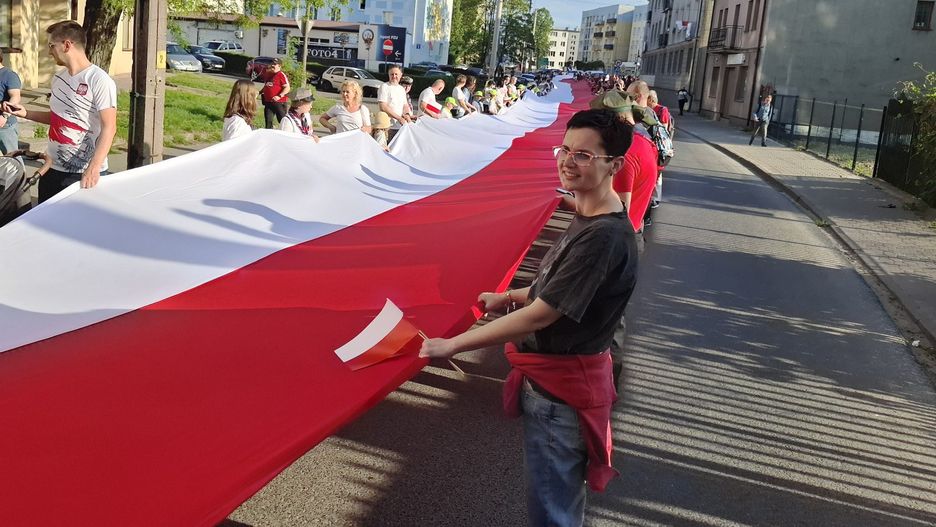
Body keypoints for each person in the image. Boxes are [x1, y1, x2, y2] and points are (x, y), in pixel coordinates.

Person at [420, 109, 639, 527]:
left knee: (552, 511)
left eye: (584, 156)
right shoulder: (588, 214)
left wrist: (452, 345)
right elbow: (551, 285)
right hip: (556, 390)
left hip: (562, 399)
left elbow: (542, 314)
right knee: (552, 500)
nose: (567, 162)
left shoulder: (604, 237)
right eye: (566, 150)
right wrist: (506, 297)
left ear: (615, 164)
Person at [2, 21, 117, 203]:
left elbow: (109, 127)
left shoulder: (98, 80)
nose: (49, 52)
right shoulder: (58, 79)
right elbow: (58, 117)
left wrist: (94, 167)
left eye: (51, 46)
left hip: (83, 174)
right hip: (51, 168)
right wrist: (25, 113)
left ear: (67, 45)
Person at [377, 65, 411, 138]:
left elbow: (405, 105)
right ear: (388, 75)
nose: (394, 76)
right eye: (392, 74)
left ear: (401, 75)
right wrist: (399, 118)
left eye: (396, 74)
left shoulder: (401, 89)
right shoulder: (384, 87)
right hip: (388, 127)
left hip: (400, 126)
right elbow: (383, 107)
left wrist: (407, 114)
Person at [0, 50, 23, 155]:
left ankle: (19, 172)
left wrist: (4, 116)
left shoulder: (9, 75)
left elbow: (15, 97)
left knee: (12, 158)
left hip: (5, 125)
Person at [261, 58, 290, 129]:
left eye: (274, 64)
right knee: (268, 122)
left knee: (283, 121)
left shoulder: (281, 75)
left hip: (279, 102)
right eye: (272, 64)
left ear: (279, 66)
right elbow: (266, 86)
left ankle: (285, 136)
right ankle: (269, 136)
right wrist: (259, 92)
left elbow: (287, 88)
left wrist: (279, 96)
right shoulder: (268, 74)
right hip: (268, 102)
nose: (272, 65)